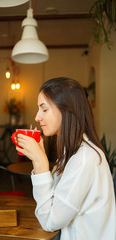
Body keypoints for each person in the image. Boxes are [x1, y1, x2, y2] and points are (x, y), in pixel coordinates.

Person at [16, 77, 116, 240]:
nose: (37, 117)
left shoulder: (84, 159)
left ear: (67, 110)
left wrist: (41, 164)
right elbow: (55, 202)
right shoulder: (73, 150)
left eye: (44, 109)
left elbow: (50, 222)